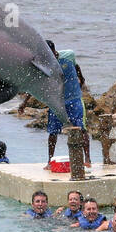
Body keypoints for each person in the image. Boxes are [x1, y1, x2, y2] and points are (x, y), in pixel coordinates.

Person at [45, 39, 92, 168]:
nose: (50, 57)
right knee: (53, 132)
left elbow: (76, 66)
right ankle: (50, 161)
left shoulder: (68, 55)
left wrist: (81, 78)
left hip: (74, 99)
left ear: (55, 51)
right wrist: (24, 104)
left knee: (81, 129)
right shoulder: (45, 63)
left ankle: (87, 159)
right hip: (57, 102)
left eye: (51, 54)